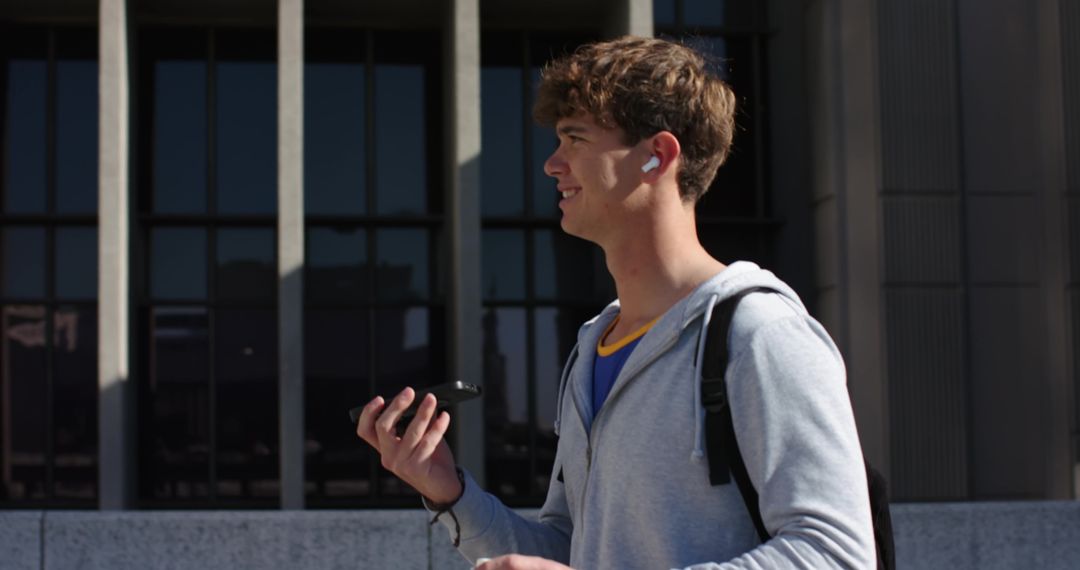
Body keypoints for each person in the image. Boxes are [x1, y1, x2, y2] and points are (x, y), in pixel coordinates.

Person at [355, 35, 875, 569]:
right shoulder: (592, 349)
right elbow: (575, 551)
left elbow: (836, 555)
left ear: (657, 156)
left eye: (575, 139)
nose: (552, 164)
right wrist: (450, 492)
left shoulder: (760, 333)